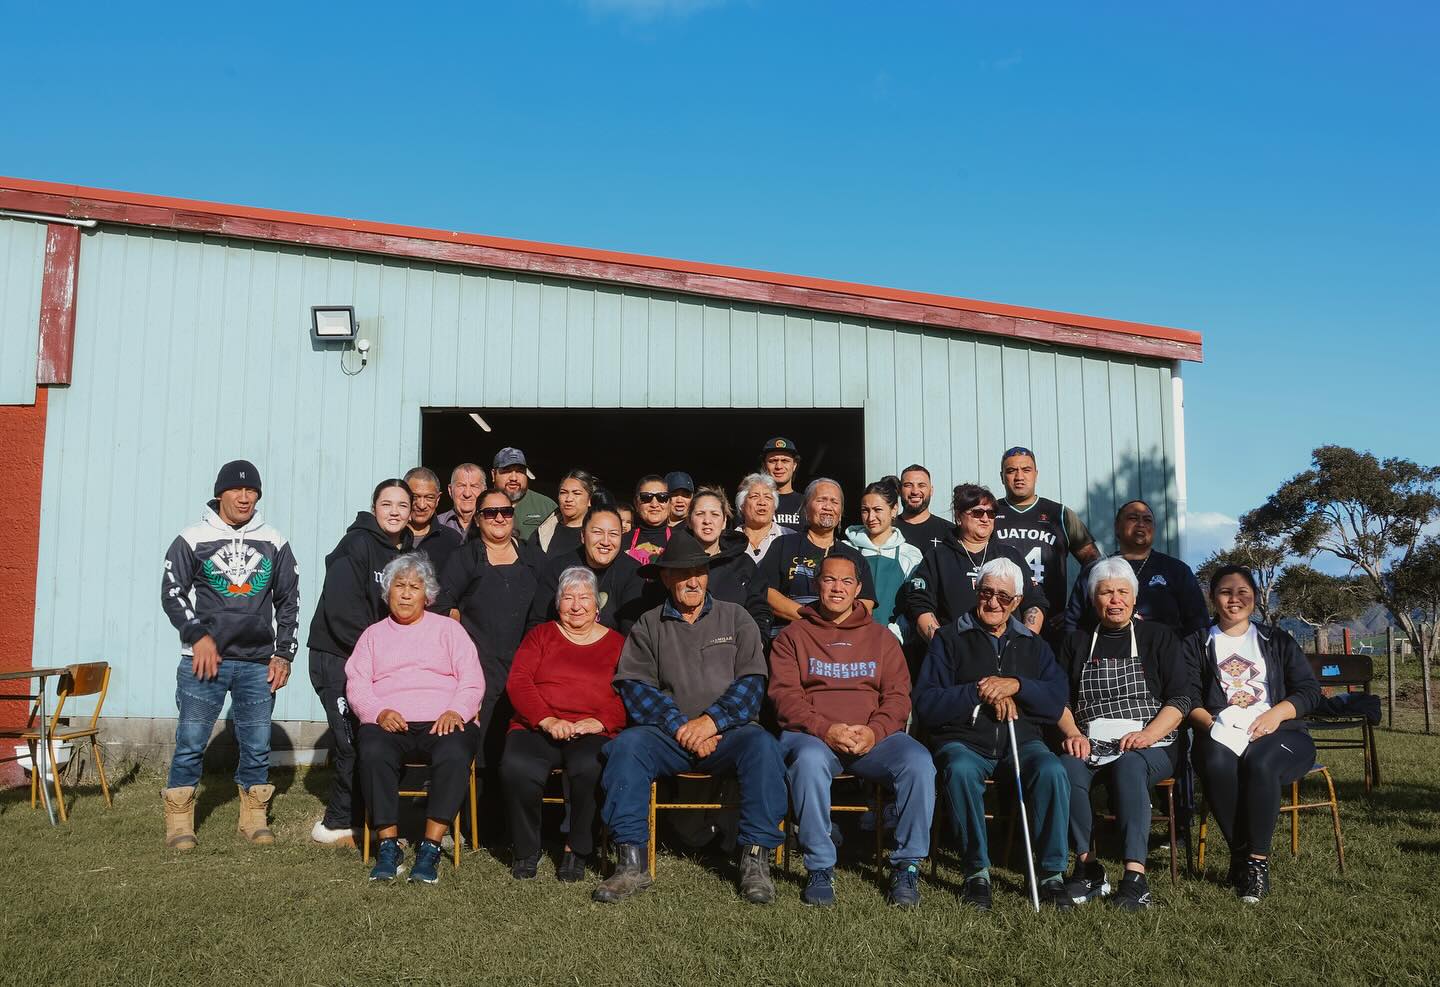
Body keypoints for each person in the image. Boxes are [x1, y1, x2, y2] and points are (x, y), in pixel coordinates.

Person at [593, 540, 785, 905]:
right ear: (667, 578)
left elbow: (752, 684)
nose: (693, 581)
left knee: (763, 747)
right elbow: (635, 687)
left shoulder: (736, 617)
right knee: (627, 748)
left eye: (699, 572)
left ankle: (755, 863)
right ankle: (631, 863)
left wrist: (710, 723)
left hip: (729, 734)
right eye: (682, 574)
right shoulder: (649, 624)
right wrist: (683, 726)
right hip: (669, 735)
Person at [769, 555, 934, 908]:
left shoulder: (881, 638)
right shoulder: (792, 636)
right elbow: (785, 698)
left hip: (872, 737)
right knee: (809, 762)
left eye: (846, 582)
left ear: (859, 589)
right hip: (814, 737)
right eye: (829, 580)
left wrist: (875, 731)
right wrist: (826, 730)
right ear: (817, 584)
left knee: (919, 762)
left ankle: (906, 866)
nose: (837, 588)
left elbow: (897, 696)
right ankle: (820, 866)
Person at [912, 558, 1072, 912]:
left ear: (1017, 602)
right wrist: (979, 691)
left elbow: (1057, 697)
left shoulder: (1032, 643)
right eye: (987, 592)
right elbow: (926, 703)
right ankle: (976, 872)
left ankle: (1052, 874)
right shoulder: (950, 639)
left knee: (1052, 772)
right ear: (976, 591)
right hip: (965, 741)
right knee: (960, 771)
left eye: (1003, 596)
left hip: (1022, 742)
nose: (994, 602)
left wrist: (1016, 686)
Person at [159, 460, 299, 850]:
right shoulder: (192, 537)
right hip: (204, 661)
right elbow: (172, 593)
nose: (244, 497)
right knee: (190, 740)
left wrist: (284, 653)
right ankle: (180, 823)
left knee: (256, 743)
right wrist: (196, 634)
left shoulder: (274, 540)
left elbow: (290, 600)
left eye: (251, 491)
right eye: (236, 490)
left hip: (258, 662)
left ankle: (253, 818)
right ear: (220, 493)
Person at [1055, 557, 1192, 912]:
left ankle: (1135, 878)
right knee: (1066, 769)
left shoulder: (1158, 637)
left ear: (1134, 598)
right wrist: (1072, 733)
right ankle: (1088, 868)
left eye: (1122, 592)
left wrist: (1148, 734)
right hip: (1092, 740)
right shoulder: (1076, 642)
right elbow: (1060, 700)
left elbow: (1181, 698)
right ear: (1092, 599)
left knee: (1130, 766)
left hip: (1153, 742)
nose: (1114, 600)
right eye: (1105, 592)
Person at [1186, 565, 1322, 904]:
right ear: (1212, 598)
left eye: (1243, 592)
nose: (1235, 599)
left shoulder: (1275, 639)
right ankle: (1240, 855)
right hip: (1221, 731)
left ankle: (1257, 864)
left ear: (1255, 598)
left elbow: (1308, 691)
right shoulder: (1196, 642)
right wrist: (1214, 726)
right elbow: (1187, 697)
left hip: (1282, 733)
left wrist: (1277, 714)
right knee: (1215, 761)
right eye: (1225, 592)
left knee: (1260, 762)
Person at [348, 553, 484, 884]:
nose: (407, 593)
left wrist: (456, 711)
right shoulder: (372, 635)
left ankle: (431, 846)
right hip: (391, 722)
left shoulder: (449, 630)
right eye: (400, 586)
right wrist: (378, 712)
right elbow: (357, 684)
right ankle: (389, 846)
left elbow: (472, 680)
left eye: (415, 587)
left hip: (444, 719)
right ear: (387, 592)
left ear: (428, 595)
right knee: (373, 750)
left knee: (455, 752)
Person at [306, 479, 416, 847]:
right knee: (351, 740)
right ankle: (336, 824)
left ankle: (363, 816)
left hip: (373, 661)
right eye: (387, 504)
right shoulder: (356, 544)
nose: (395, 511)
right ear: (374, 509)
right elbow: (340, 612)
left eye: (403, 505)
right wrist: (381, 652)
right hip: (336, 656)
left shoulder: (407, 551)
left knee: (371, 739)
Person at [500, 566, 626, 882]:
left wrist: (601, 721)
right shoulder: (540, 636)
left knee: (590, 766)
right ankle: (527, 849)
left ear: (598, 606)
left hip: (591, 730)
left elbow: (630, 691)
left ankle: (576, 849)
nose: (576, 605)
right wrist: (546, 718)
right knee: (517, 765)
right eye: (568, 597)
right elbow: (519, 681)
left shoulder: (618, 644)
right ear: (558, 605)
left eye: (584, 597)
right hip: (538, 725)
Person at [437, 489, 542, 832]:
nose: (499, 518)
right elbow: (442, 604)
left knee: (519, 743)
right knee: (481, 747)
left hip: (525, 663)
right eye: (491, 513)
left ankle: (518, 826)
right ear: (478, 518)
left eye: (506, 512)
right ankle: (476, 826)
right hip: (478, 666)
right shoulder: (465, 557)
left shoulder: (531, 556)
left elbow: (544, 610)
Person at [903, 483, 1047, 646]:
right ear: (958, 516)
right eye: (978, 512)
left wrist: (1025, 643)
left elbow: (1035, 601)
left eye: (991, 513)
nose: (985, 519)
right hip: (956, 654)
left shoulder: (1011, 555)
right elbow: (920, 604)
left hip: (1008, 652)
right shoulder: (938, 556)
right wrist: (943, 647)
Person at [992, 447, 1100, 647]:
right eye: (1011, 471)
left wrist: (1076, 608)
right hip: (999, 622)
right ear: (1002, 476)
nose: (1019, 477)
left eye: (1026, 470)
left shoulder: (1059, 514)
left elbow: (1094, 562)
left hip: (1052, 624)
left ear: (1036, 474)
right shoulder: (989, 514)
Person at [1065, 499, 1209, 638]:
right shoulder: (1095, 571)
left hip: (1165, 657)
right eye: (1133, 518)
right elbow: (1072, 623)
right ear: (1117, 527)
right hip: (1106, 656)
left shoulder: (1177, 570)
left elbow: (1198, 623)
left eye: (1147, 520)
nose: (1141, 524)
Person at [760, 478, 877, 635]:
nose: (828, 507)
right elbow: (766, 592)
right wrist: (813, 617)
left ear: (841, 513)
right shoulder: (783, 545)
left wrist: (831, 624)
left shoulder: (853, 556)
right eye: (821, 500)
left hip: (839, 640)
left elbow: (865, 604)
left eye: (834, 502)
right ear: (806, 509)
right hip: (788, 638)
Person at [529, 504, 650, 634]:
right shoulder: (558, 568)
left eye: (613, 534)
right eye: (597, 532)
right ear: (582, 535)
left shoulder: (632, 572)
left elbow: (632, 631)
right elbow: (538, 624)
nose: (605, 541)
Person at [844, 476, 924, 639]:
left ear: (894, 510)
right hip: (850, 640)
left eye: (877, 510)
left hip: (894, 644)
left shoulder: (910, 554)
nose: (870, 517)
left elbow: (916, 603)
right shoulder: (846, 549)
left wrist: (893, 634)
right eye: (865, 510)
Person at [686, 487, 771, 636]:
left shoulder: (743, 564)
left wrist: (757, 642)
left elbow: (759, 609)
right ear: (689, 521)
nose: (707, 521)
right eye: (700, 514)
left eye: (715, 514)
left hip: (734, 648)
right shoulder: (675, 563)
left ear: (724, 521)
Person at [403, 467, 463, 574]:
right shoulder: (391, 536)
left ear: (438, 499)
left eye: (429, 497)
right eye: (415, 497)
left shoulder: (452, 540)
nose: (421, 505)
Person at [491, 447, 558, 541]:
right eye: (507, 471)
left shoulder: (547, 506)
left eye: (520, 471)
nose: (514, 478)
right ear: (493, 475)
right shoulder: (483, 504)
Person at [527, 468, 595, 558]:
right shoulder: (543, 532)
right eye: (563, 493)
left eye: (576, 493)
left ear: (589, 500)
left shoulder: (598, 534)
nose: (569, 499)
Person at [735, 472, 792, 564]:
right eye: (754, 496)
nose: (762, 502)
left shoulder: (790, 538)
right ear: (742, 506)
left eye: (768, 497)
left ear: (774, 507)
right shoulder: (729, 541)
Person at [898, 464, 953, 554]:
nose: (915, 491)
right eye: (908, 485)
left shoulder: (949, 532)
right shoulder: (889, 530)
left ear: (931, 491)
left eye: (921, 485)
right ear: (900, 491)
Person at [625, 475, 673, 564]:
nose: (654, 504)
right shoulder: (621, 542)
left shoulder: (682, 540)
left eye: (662, 497)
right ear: (636, 504)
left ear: (670, 503)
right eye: (646, 497)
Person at [760, 437, 804, 528]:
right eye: (773, 461)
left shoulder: (807, 503)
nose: (779, 466)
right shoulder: (753, 502)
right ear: (764, 466)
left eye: (785, 461)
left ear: (794, 465)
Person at [436, 463, 485, 540]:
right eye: (461, 486)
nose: (467, 494)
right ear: (450, 490)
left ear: (484, 491)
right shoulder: (436, 524)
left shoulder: (492, 523)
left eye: (474, 486)